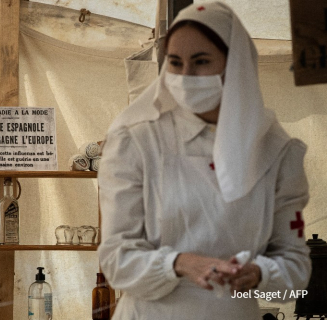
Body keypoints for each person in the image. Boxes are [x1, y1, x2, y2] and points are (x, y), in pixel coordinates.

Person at [97, 2, 311, 319]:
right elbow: (115, 260)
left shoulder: (275, 151)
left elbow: (295, 274)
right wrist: (180, 263)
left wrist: (259, 275)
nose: (186, 76)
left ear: (235, 65)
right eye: (175, 62)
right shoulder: (137, 142)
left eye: (200, 62)